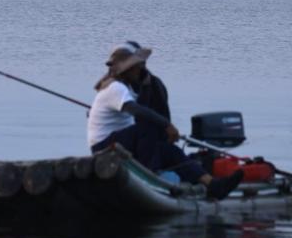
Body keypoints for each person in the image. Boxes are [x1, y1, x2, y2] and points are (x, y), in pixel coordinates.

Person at [88, 43, 243, 200]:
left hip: (123, 142)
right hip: (104, 148)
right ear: (127, 69)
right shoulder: (115, 88)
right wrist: (166, 125)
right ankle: (150, 174)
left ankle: (213, 185)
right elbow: (137, 111)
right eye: (137, 66)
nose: (141, 68)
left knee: (169, 149)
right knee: (147, 126)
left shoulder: (126, 87)